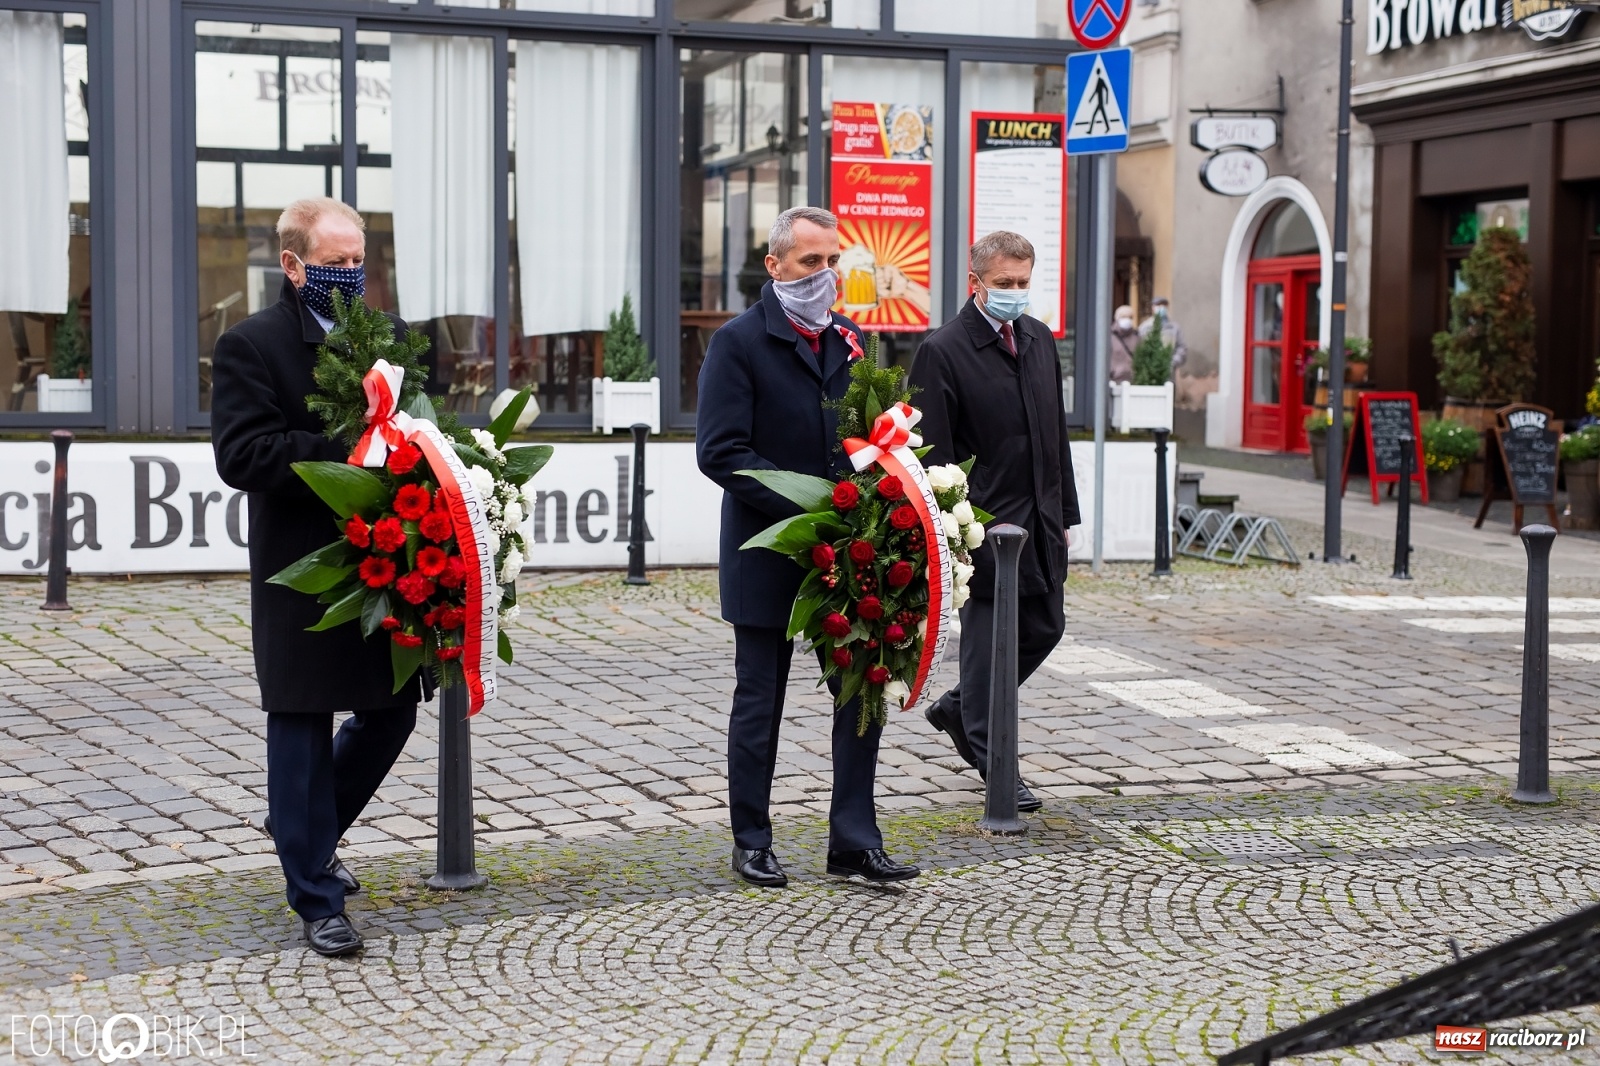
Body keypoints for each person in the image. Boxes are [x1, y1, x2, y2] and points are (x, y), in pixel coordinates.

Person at [211, 197, 421, 957]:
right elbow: (243, 457)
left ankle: (304, 826)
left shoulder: (389, 337)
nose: (350, 275)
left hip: (388, 560)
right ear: (293, 265)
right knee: (301, 722)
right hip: (299, 566)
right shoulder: (252, 345)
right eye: (333, 264)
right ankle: (317, 896)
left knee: (393, 710)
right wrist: (352, 443)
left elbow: (420, 424)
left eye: (358, 261)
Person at [696, 205, 919, 889]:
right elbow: (721, 453)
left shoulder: (849, 339)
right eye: (809, 263)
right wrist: (810, 507)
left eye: (832, 263)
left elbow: (872, 434)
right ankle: (752, 838)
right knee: (760, 699)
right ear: (775, 266)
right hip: (769, 552)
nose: (824, 276)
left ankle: (853, 838)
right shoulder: (737, 343)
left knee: (862, 691)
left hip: (851, 558)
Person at [907, 230, 1080, 812]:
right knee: (987, 646)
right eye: (1004, 284)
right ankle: (991, 755)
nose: (1014, 293)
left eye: (1023, 284)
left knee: (1046, 627)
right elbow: (933, 454)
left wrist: (1067, 514)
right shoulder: (943, 350)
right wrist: (953, 534)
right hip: (983, 527)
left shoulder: (1038, 338)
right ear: (975, 283)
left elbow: (1055, 435)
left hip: (1041, 521)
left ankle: (959, 709)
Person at [1139, 296, 1188, 373]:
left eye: (1164, 305)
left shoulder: (1174, 327)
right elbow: (1139, 347)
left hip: (1169, 369)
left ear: (1167, 307)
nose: (1161, 308)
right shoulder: (1145, 327)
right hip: (1149, 370)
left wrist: (1173, 361)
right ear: (1153, 307)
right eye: (1158, 305)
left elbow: (1182, 347)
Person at [1109, 303, 1138, 384]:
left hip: (1132, 381)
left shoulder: (1137, 337)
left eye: (1130, 317)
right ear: (1117, 318)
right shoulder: (1110, 337)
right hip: (1114, 380)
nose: (1127, 320)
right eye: (1124, 317)